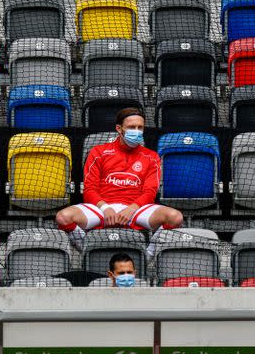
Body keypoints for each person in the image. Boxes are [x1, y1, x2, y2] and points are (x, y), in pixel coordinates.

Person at [55, 107, 183, 251]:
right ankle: (87, 250)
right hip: (102, 207)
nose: (137, 131)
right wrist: (105, 208)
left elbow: (150, 191)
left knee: (175, 217)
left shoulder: (151, 157)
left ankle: (149, 256)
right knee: (63, 217)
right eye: (131, 127)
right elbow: (90, 189)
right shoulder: (98, 152)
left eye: (140, 127)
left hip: (136, 208)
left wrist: (131, 209)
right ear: (119, 128)